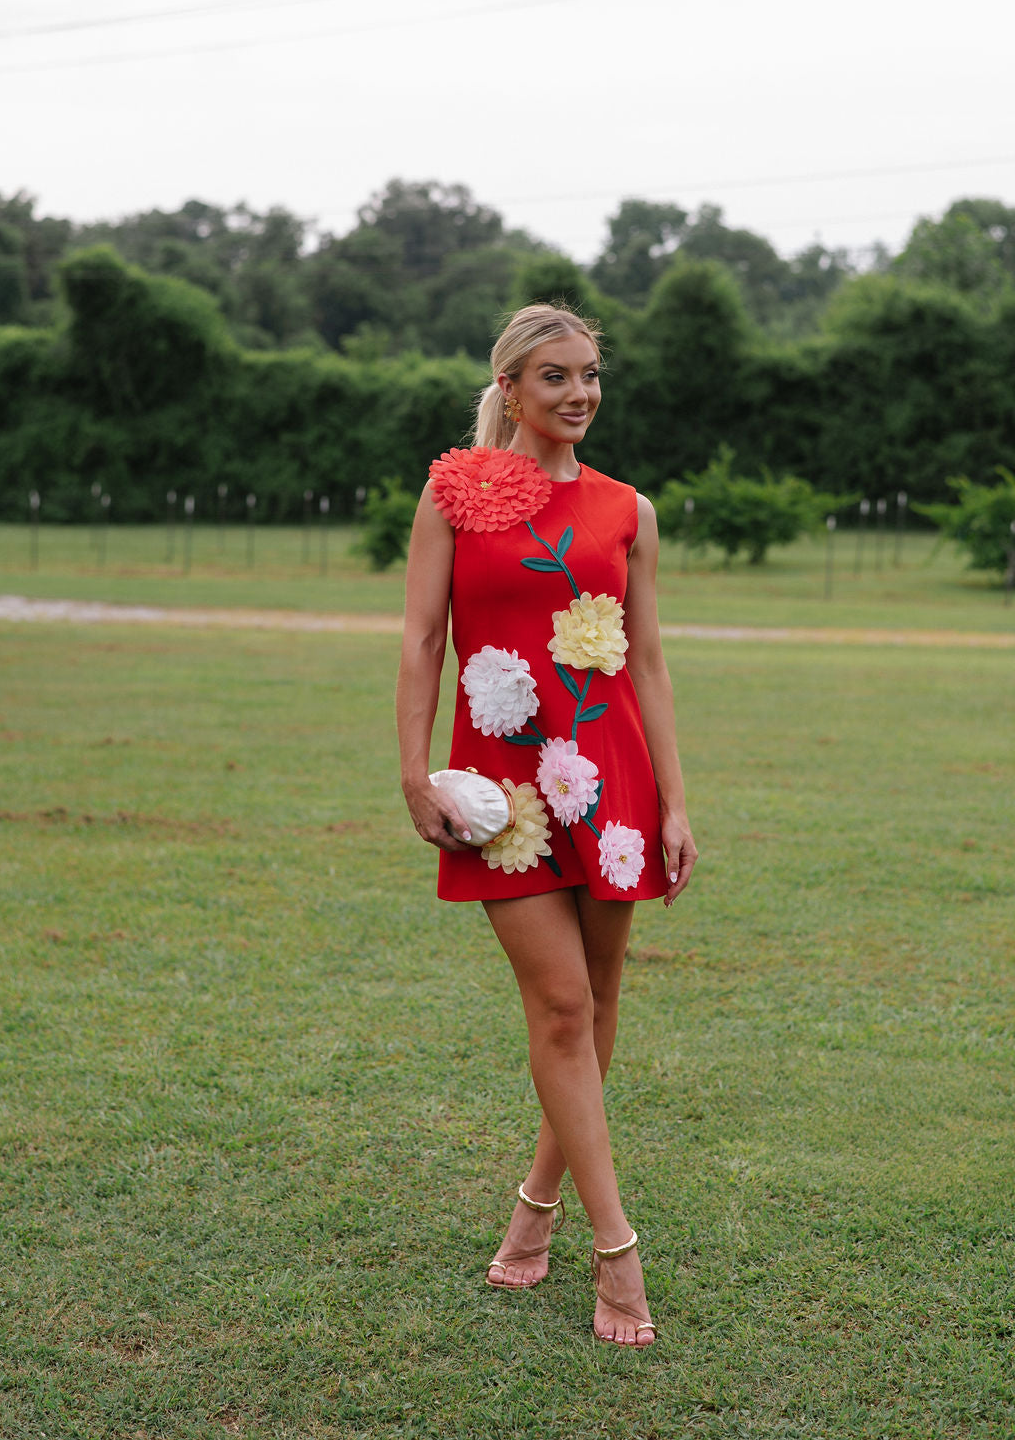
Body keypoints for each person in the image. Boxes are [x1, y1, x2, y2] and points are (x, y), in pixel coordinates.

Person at [396, 304, 697, 1346]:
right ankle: (617, 1251)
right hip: (501, 794)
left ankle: (535, 1206)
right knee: (563, 1003)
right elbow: (422, 641)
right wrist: (410, 774)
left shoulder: (628, 511)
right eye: (556, 377)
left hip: (610, 783)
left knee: (598, 1001)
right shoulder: (453, 496)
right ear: (511, 388)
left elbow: (647, 662)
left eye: (590, 376)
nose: (579, 395)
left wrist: (675, 798)